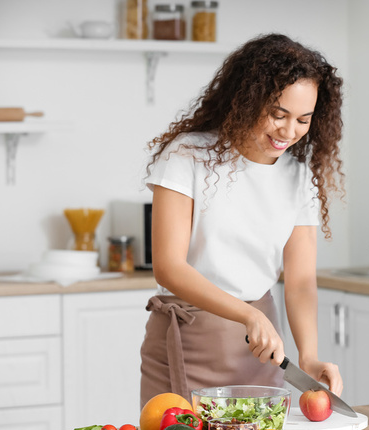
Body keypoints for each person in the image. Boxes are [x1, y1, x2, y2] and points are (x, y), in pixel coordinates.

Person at [139, 33, 345, 408]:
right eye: (278, 114)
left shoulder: (299, 177)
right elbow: (169, 267)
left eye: (303, 119)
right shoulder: (187, 155)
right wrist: (247, 314)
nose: (289, 131)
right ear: (246, 99)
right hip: (190, 335)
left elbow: (299, 282)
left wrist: (309, 355)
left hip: (260, 349)